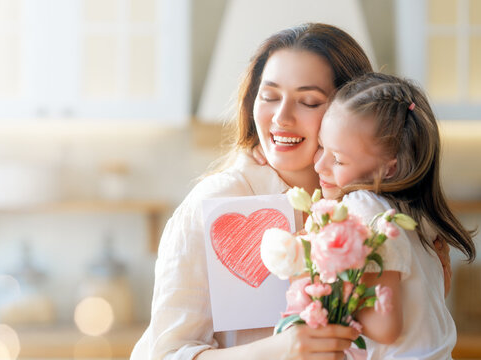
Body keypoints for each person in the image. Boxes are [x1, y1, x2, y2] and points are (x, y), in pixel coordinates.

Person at [132, 23, 450, 360]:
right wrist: (278, 350)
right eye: (269, 97)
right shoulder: (217, 201)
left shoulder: (374, 209)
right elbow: (163, 355)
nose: (281, 118)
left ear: (352, 111)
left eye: (309, 101)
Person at [313, 72, 476, 359]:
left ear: (388, 169)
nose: (319, 165)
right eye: (321, 147)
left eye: (337, 158)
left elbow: (386, 328)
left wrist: (320, 291)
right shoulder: (416, 212)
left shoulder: (362, 208)